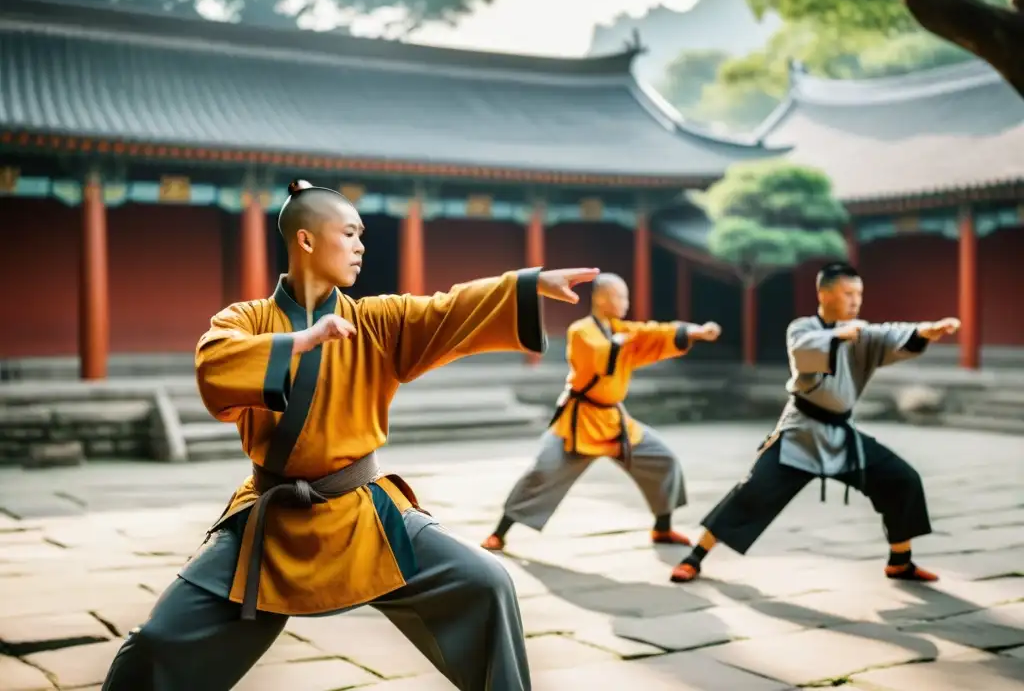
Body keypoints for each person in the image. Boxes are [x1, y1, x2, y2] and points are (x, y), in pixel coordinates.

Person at [100, 179, 600, 691]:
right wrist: (300, 342)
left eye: (363, 235)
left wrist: (525, 285)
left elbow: (447, 308)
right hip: (271, 523)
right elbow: (215, 367)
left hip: (363, 513)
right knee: (157, 642)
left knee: (486, 583)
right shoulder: (245, 320)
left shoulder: (376, 322)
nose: (362, 245)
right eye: (350, 233)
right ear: (307, 241)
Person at [670, 262, 960, 585]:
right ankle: (695, 557)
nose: (855, 300)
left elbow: (893, 334)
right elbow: (802, 350)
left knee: (901, 479)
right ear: (824, 293)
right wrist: (836, 336)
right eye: (848, 293)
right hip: (801, 433)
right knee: (751, 492)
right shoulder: (802, 327)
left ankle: (900, 561)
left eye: (859, 294)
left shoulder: (862, 333)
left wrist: (925, 331)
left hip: (842, 435)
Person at [481, 272, 722, 553]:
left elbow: (652, 332)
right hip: (579, 421)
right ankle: (500, 532)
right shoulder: (581, 330)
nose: (626, 303)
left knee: (662, 459)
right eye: (621, 296)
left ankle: (663, 528)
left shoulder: (620, 329)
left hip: (614, 421)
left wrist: (694, 331)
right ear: (600, 297)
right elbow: (596, 358)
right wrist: (621, 344)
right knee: (542, 472)